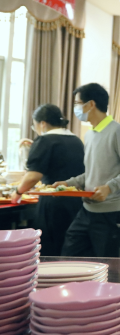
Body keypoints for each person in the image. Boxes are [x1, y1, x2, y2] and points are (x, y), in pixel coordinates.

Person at [56, 83, 120, 258]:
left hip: (111, 213)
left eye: (78, 103)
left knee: (110, 270)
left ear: (91, 104)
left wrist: (109, 187)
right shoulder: (89, 134)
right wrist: (69, 183)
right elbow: (93, 171)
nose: (76, 108)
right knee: (70, 256)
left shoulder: (118, 131)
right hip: (87, 210)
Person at [11, 104, 85, 256]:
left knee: (51, 249)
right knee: (70, 248)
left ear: (43, 123)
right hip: (77, 200)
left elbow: (33, 176)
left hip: (53, 202)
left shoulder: (45, 141)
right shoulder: (76, 141)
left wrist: (17, 192)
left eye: (35, 125)